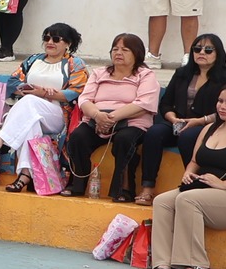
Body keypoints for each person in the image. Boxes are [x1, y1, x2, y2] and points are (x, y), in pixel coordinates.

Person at [148, 83, 226, 269]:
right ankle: (163, 262)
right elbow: (195, 161)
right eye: (220, 101)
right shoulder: (210, 129)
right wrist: (188, 173)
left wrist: (223, 184)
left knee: (188, 199)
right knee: (162, 201)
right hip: (208, 190)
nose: (222, 106)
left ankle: (196, 263)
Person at [0, 23, 89, 193]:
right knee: (30, 122)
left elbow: (76, 91)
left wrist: (45, 94)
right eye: (46, 38)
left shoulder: (75, 63)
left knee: (30, 102)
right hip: (32, 113)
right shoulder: (33, 60)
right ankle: (25, 175)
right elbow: (13, 81)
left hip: (57, 114)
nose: (50, 42)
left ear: (68, 43)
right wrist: (27, 88)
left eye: (56, 39)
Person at [64, 33, 159, 201]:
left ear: (137, 53)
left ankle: (123, 190)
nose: (118, 53)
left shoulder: (145, 75)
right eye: (115, 49)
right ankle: (76, 185)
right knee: (78, 137)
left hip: (131, 122)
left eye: (125, 49)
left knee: (124, 140)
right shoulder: (99, 73)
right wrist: (97, 115)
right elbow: (84, 99)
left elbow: (144, 103)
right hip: (96, 120)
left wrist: (111, 118)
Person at [145, 34, 226, 202]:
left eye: (208, 49)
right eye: (197, 48)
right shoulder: (182, 73)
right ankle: (148, 186)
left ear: (218, 53)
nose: (202, 52)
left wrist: (200, 120)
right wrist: (173, 118)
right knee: (154, 132)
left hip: (209, 124)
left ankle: (195, 185)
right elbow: (166, 104)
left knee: (187, 137)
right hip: (178, 123)